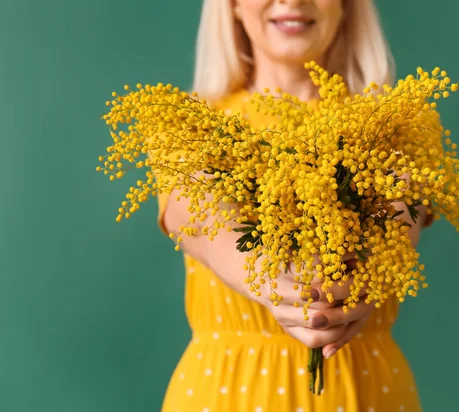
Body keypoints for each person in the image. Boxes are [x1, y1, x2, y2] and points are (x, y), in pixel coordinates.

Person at [156, 1, 434, 410]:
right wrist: (277, 289)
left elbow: (398, 218)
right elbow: (198, 218)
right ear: (230, 6)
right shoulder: (186, 124)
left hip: (366, 393)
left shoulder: (402, 123)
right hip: (228, 393)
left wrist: (360, 287)